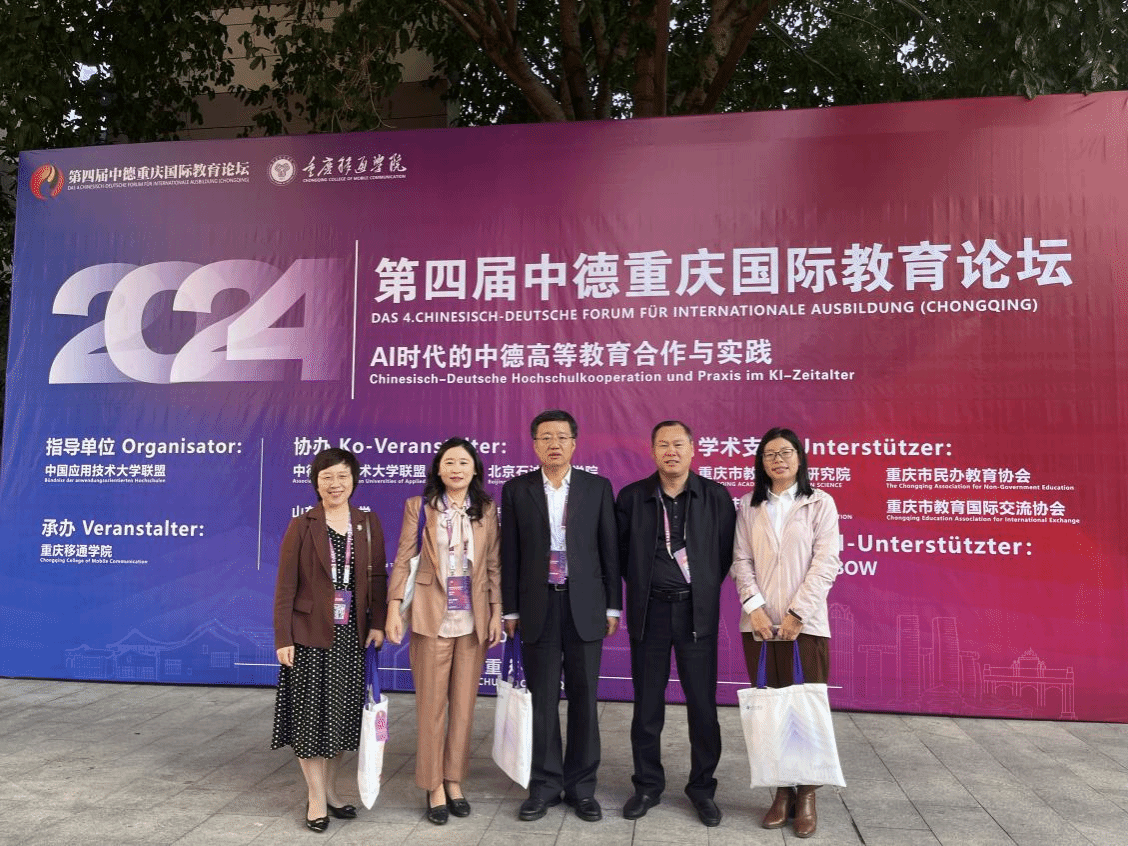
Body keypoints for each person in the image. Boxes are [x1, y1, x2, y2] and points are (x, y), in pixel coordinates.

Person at [501, 409, 621, 823]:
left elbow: (609, 549)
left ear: (574, 443)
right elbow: (510, 553)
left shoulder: (596, 487)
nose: (554, 444)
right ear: (535, 444)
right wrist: (511, 608)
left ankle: (583, 788)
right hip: (538, 606)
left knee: (585, 698)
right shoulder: (517, 490)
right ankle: (545, 786)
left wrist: (612, 605)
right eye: (546, 437)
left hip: (584, 605)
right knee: (543, 699)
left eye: (562, 437)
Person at [615, 420, 736, 827]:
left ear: (692, 449)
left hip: (695, 615)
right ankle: (647, 786)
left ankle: (702, 789)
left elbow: (723, 555)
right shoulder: (633, 497)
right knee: (647, 706)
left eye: (678, 444)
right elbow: (622, 556)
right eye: (663, 445)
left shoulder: (715, 497)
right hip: (649, 613)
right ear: (652, 451)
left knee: (702, 706)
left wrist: (699, 590)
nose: (671, 451)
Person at [384, 437, 502, 825]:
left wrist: (496, 612)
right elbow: (404, 558)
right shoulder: (419, 508)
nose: (456, 469)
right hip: (430, 618)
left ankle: (454, 780)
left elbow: (493, 565)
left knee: (464, 709)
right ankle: (433, 784)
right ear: (438, 468)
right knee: (431, 708)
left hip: (472, 620)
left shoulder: (486, 509)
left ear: (475, 469)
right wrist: (393, 607)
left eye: (463, 462)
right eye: (449, 462)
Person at [730, 427, 841, 839]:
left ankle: (807, 794)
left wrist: (797, 614)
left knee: (804, 709)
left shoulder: (820, 503)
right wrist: (755, 609)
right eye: (770, 454)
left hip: (806, 626)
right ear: (761, 462)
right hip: (759, 625)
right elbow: (741, 560)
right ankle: (781, 791)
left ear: (800, 458)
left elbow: (826, 563)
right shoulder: (749, 505)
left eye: (786, 452)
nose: (778, 459)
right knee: (773, 711)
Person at [272, 447, 387, 833]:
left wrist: (378, 623)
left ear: (353, 480)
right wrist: (283, 637)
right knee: (311, 721)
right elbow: (285, 586)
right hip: (309, 637)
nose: (335, 484)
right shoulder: (302, 525)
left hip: (353, 638)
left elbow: (377, 579)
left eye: (342, 476)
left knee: (341, 720)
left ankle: (333, 792)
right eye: (327, 478)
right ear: (316, 483)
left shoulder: (367, 523)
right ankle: (316, 798)